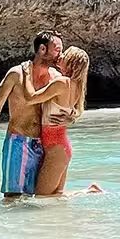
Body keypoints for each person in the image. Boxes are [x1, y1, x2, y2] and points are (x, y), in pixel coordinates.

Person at [0, 30, 76, 199]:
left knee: (40, 199)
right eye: (57, 49)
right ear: (42, 50)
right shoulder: (16, 74)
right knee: (12, 197)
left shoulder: (56, 77)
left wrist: (72, 115)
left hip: (43, 144)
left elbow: (69, 105)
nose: (61, 54)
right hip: (18, 141)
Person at [18, 46, 101, 196]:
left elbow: (30, 98)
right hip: (61, 148)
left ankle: (90, 191)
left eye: (65, 54)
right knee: (56, 196)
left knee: (42, 198)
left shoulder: (62, 83)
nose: (61, 56)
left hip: (56, 150)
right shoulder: (75, 86)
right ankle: (89, 191)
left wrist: (26, 73)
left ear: (71, 62)